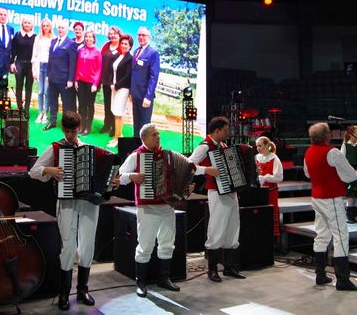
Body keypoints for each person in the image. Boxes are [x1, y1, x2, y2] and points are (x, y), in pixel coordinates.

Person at [29, 111, 119, 311]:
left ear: (79, 129)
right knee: (68, 246)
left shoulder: (90, 148)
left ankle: (83, 289)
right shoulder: (55, 148)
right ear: (63, 129)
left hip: (88, 202)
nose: (70, 135)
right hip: (67, 202)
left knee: (87, 244)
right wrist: (48, 171)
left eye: (73, 130)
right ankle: (64, 292)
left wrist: (113, 182)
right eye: (67, 131)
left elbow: (109, 173)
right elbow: (33, 171)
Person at [119, 123, 217, 297]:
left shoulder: (169, 155)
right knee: (145, 245)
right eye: (154, 134)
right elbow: (120, 176)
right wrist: (131, 176)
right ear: (144, 138)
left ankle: (163, 278)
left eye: (158, 134)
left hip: (167, 206)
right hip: (147, 206)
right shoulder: (137, 156)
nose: (158, 137)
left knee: (167, 243)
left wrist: (189, 186)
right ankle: (140, 281)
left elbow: (188, 168)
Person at [187, 116, 245, 283]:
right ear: (217, 130)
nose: (228, 133)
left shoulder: (223, 146)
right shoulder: (205, 147)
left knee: (233, 227)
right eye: (225, 130)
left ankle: (229, 267)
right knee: (217, 228)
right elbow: (188, 164)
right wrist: (206, 170)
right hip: (216, 192)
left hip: (230, 192)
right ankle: (212, 269)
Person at [304, 122, 357, 291]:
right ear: (327, 135)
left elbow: (308, 173)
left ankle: (320, 274)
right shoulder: (332, 152)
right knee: (341, 236)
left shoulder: (308, 151)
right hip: (331, 198)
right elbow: (351, 175)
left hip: (317, 197)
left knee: (321, 234)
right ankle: (343, 279)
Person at [43, 19, 78, 131]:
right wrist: (48, 75)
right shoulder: (53, 41)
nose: (60, 30)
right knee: (52, 100)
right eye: (59, 27)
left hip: (64, 79)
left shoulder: (71, 44)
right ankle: (52, 121)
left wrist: (70, 79)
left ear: (67, 30)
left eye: (63, 28)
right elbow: (50, 59)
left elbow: (73, 63)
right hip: (52, 78)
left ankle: (66, 124)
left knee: (66, 103)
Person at [130, 26, 160, 137]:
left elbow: (154, 76)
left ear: (149, 37)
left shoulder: (153, 53)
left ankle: (145, 150)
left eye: (144, 35)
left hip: (145, 97)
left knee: (145, 126)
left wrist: (148, 96)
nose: (141, 37)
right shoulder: (136, 51)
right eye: (139, 35)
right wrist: (131, 92)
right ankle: (135, 146)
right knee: (136, 123)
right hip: (135, 94)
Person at [107, 33, 133, 148]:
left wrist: (116, 86)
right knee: (115, 112)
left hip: (122, 89)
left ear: (130, 46)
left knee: (118, 113)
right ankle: (119, 135)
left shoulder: (130, 59)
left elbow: (127, 76)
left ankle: (117, 138)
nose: (123, 45)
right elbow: (114, 72)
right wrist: (112, 83)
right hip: (115, 88)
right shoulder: (120, 55)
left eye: (126, 44)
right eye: (122, 43)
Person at [255, 136, 284, 239]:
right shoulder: (257, 157)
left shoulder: (274, 159)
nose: (258, 148)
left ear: (267, 145)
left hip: (270, 192)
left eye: (260, 145)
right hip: (259, 192)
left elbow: (279, 177)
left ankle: (272, 240)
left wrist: (265, 177)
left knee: (270, 215)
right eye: (257, 146)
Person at [75, 31, 102, 135]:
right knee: (81, 104)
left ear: (94, 39)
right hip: (81, 82)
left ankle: (88, 127)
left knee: (89, 105)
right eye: (86, 36)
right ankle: (81, 125)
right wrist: (76, 79)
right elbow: (78, 65)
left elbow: (99, 69)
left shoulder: (97, 52)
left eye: (90, 37)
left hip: (91, 84)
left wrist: (95, 83)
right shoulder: (81, 50)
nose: (88, 38)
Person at [10, 16, 36, 118]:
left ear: (32, 25)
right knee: (19, 86)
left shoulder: (35, 37)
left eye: (29, 23)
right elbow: (13, 51)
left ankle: (26, 110)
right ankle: (20, 108)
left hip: (30, 65)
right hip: (19, 63)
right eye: (25, 22)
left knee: (28, 87)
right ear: (22, 24)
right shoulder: (17, 35)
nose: (27, 25)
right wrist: (12, 63)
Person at [31, 18, 55, 124]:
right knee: (40, 91)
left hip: (49, 67)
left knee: (46, 91)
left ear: (50, 27)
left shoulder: (54, 38)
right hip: (39, 66)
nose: (45, 27)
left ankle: (46, 113)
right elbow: (34, 54)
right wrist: (34, 70)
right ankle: (40, 112)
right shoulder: (38, 38)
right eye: (44, 26)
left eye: (47, 25)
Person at [340, 125, 357, 224]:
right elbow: (342, 159)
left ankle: (352, 215)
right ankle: (349, 215)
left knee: (355, 195)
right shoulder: (345, 145)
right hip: (348, 171)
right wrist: (349, 171)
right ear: (351, 135)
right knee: (350, 194)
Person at [100, 26, 121, 136]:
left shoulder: (121, 48)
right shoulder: (106, 46)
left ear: (119, 35)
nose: (113, 36)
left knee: (114, 105)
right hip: (105, 80)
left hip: (116, 82)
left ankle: (114, 126)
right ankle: (106, 124)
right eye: (111, 34)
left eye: (115, 34)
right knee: (107, 104)